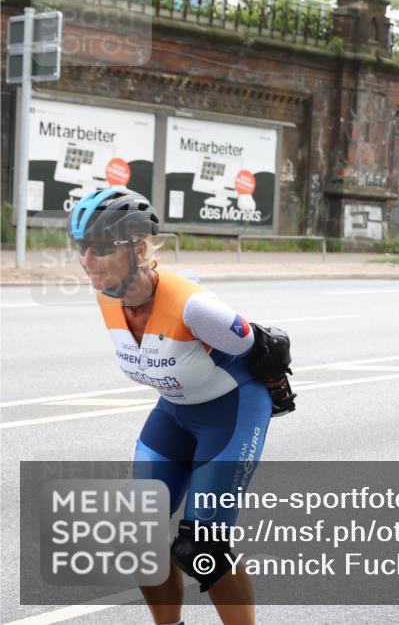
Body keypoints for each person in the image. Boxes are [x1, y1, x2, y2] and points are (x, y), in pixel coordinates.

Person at [68, 188, 296, 625]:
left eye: (100, 249)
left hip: (230, 413)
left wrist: (275, 387)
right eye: (82, 249)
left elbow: (262, 348)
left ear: (138, 248)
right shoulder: (106, 296)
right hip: (175, 412)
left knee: (202, 547)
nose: (87, 261)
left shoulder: (194, 307)